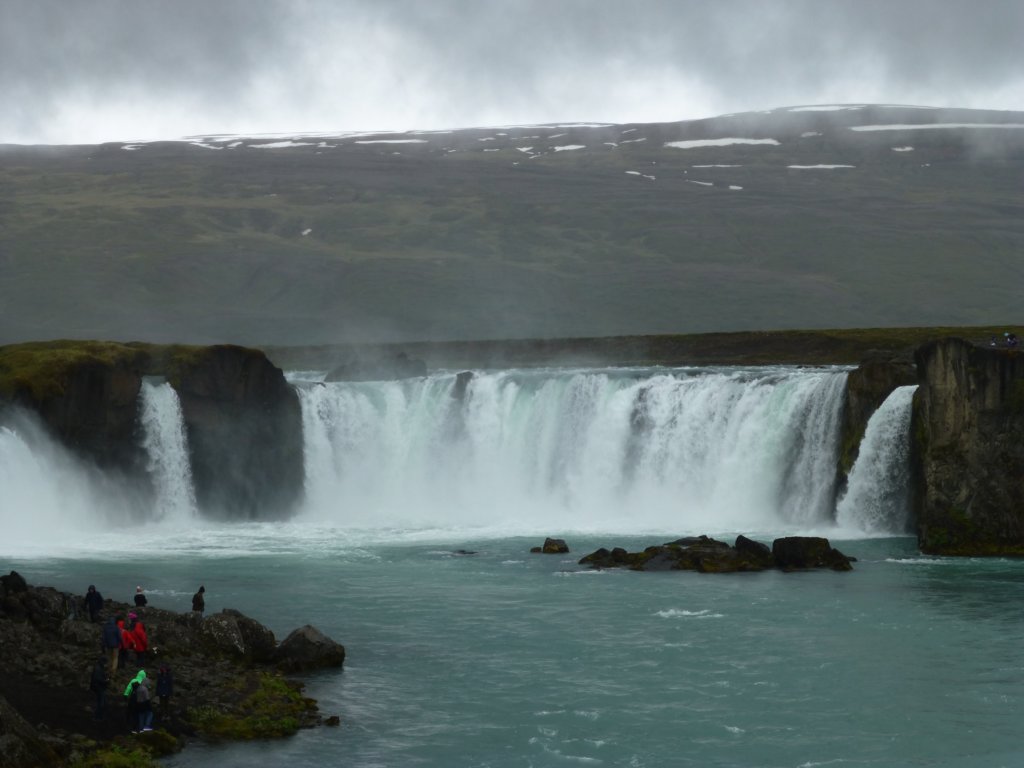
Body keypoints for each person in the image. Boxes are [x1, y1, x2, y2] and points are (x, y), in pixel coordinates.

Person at [89, 656, 108, 720]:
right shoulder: (98, 669)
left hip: (98, 687)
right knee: (100, 703)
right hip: (99, 688)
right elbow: (97, 679)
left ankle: (99, 716)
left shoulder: (98, 667)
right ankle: (98, 716)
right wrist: (105, 681)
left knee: (101, 702)